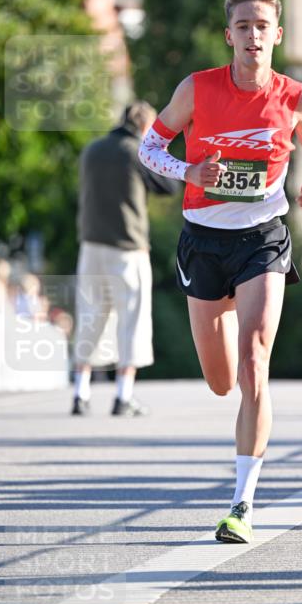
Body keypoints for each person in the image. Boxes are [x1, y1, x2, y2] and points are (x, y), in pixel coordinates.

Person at [138, 0, 302, 544]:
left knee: (253, 364)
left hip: (263, 240)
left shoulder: (296, 97)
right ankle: (240, 468)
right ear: (230, 35)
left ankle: (241, 504)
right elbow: (150, 147)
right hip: (203, 241)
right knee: (221, 381)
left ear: (277, 35)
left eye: (261, 26)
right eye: (242, 26)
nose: (252, 35)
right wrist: (187, 172)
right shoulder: (197, 89)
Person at [72, 101, 179, 416]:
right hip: (128, 250)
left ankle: (80, 392)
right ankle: (123, 395)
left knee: (90, 318)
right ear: (145, 125)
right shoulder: (137, 151)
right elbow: (169, 186)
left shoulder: (92, 150)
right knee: (132, 321)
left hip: (90, 246)